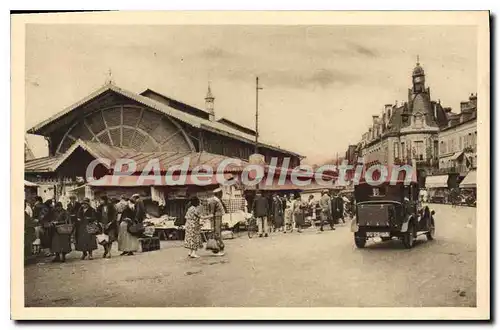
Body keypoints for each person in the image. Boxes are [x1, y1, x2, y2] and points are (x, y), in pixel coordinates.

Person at [207, 187, 226, 256]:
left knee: (217, 234)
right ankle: (220, 248)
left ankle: (219, 248)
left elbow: (212, 213)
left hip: (217, 218)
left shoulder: (215, 200)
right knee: (217, 234)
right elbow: (212, 213)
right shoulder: (215, 201)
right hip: (217, 218)